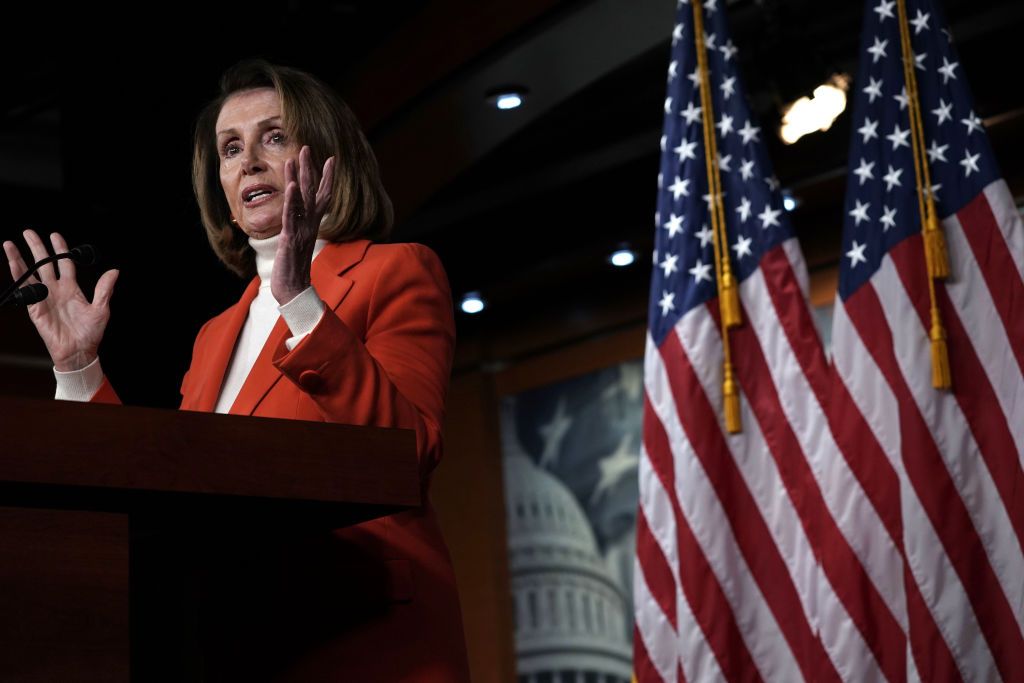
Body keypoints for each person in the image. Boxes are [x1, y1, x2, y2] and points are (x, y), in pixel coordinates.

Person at [2, 59, 470, 682]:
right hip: (234, 641)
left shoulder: (395, 271)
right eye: (230, 148)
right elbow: (173, 489)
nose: (248, 160)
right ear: (218, 186)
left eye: (274, 137)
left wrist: (303, 301)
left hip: (362, 638)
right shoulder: (214, 336)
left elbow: (408, 451)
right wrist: (79, 367)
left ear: (328, 157)